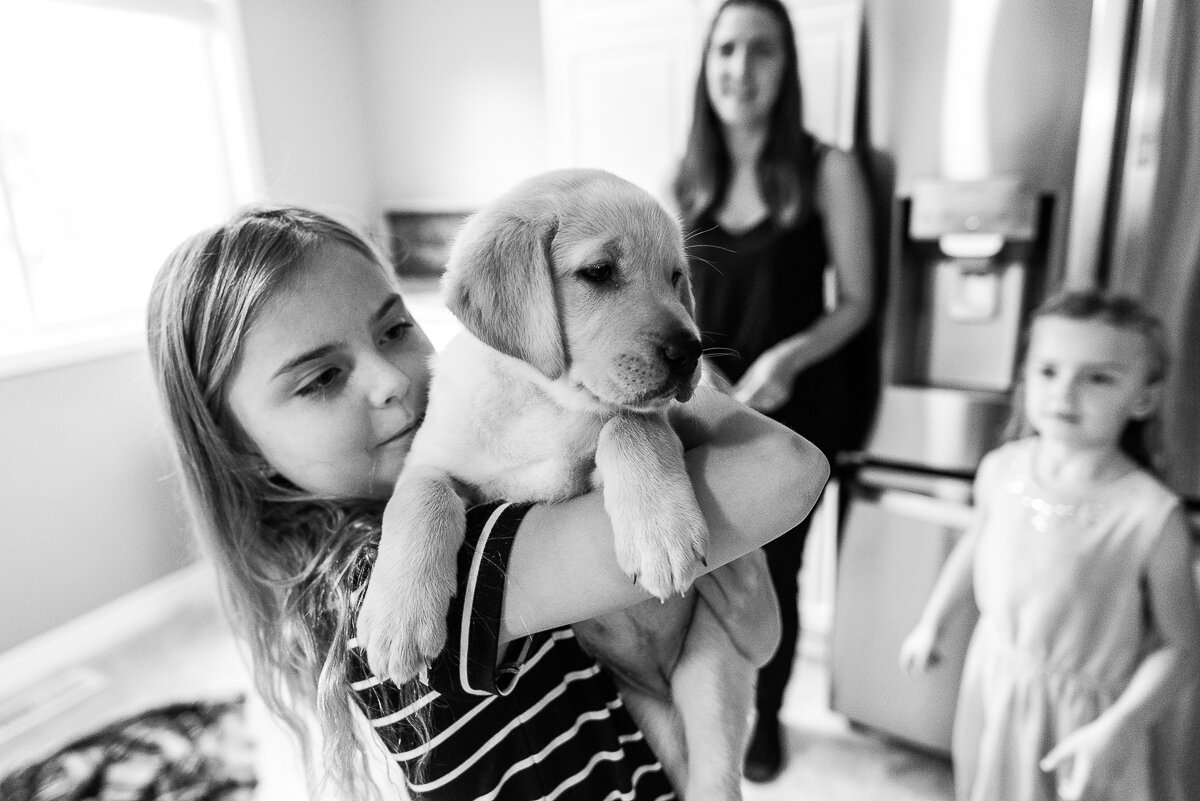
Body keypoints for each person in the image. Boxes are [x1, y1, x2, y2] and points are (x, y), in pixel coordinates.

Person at [146, 205, 829, 800]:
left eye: (393, 329)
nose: (390, 380)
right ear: (239, 448)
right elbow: (784, 469)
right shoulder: (392, 584)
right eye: (320, 379)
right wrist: (644, 378)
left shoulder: (480, 491)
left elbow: (732, 625)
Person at [670, 0, 876, 781]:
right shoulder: (685, 178)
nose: (740, 69)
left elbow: (858, 298)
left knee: (776, 569)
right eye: (726, 50)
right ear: (707, 64)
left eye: (760, 51)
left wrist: (789, 357)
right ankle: (703, 707)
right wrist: (695, 366)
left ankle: (769, 715)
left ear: (786, 66)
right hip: (709, 401)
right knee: (703, 561)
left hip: (792, 411)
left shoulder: (828, 168)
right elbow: (671, 299)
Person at [899, 290, 1200, 801]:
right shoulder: (1002, 469)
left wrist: (1121, 727)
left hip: (1084, 720)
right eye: (1048, 371)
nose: (1065, 392)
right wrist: (933, 620)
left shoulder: (1151, 517)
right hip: (992, 682)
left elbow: (1182, 647)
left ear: (1143, 398)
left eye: (1099, 377)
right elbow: (977, 543)